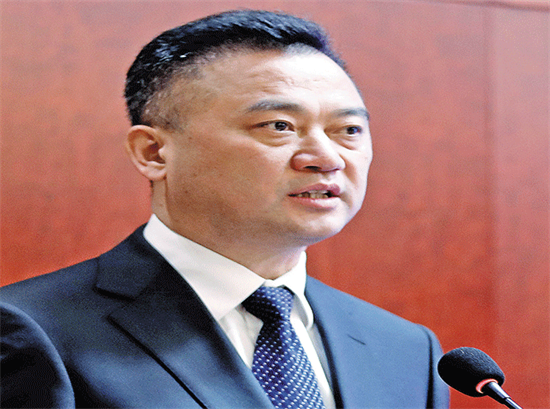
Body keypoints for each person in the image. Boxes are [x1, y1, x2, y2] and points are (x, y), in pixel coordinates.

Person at [0, 9, 449, 409]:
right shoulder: (31, 331)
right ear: (154, 152)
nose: (326, 158)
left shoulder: (406, 350)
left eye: (348, 130)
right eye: (279, 126)